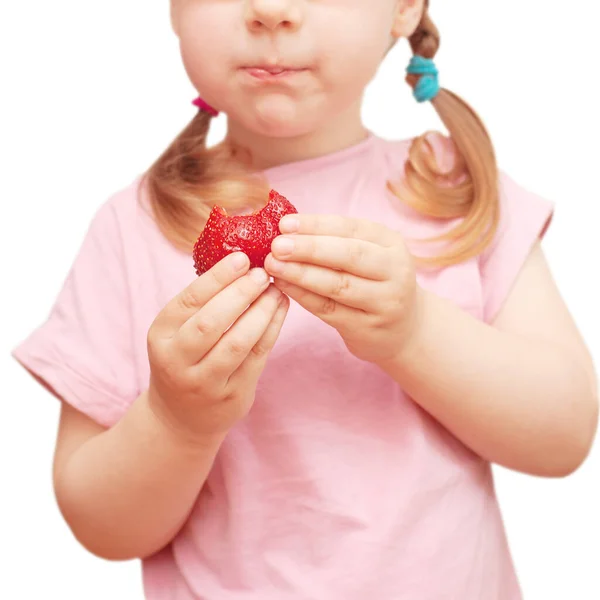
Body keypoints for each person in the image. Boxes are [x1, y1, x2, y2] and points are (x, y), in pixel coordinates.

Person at [11, 0, 598, 598]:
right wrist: (176, 421)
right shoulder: (133, 227)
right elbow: (102, 527)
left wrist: (415, 334)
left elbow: (565, 434)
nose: (271, 10)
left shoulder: (459, 192)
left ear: (404, 9)